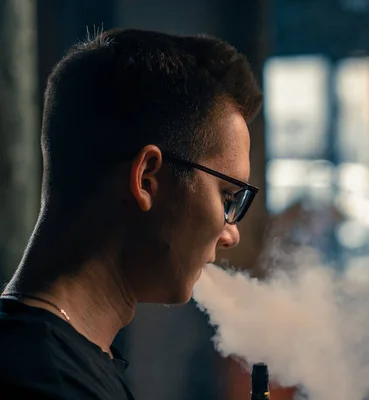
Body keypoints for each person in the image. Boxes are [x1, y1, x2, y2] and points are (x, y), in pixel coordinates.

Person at [0, 28, 262, 399]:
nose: (230, 232)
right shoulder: (50, 383)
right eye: (227, 196)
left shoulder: (63, 356)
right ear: (146, 178)